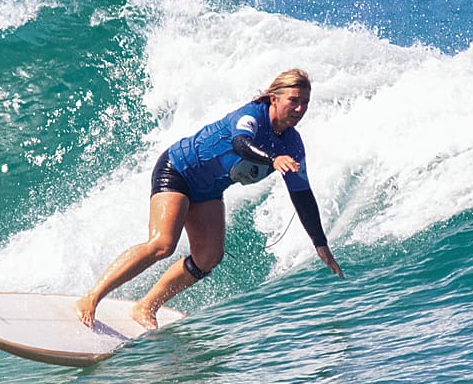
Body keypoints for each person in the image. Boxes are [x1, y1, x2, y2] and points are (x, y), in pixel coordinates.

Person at [77, 68, 343, 329]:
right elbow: (241, 144)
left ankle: (146, 307)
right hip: (179, 169)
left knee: (208, 257)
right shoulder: (251, 116)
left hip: (208, 191)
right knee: (162, 244)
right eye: (293, 100)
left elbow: (301, 194)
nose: (300, 109)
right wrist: (273, 159)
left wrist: (320, 244)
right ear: (274, 98)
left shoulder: (292, 144)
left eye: (305, 102)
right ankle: (92, 297)